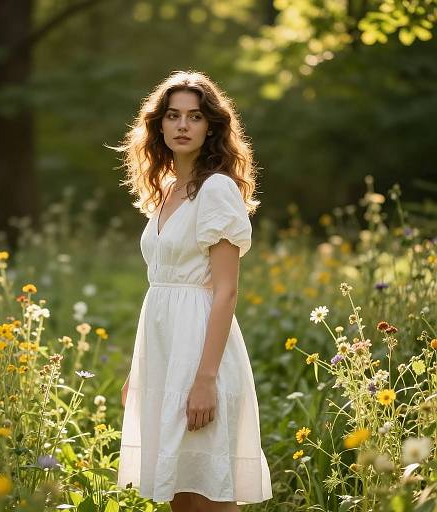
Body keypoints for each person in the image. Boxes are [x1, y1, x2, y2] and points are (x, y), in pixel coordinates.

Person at [112, 70, 272, 511]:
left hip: (203, 354)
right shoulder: (165, 192)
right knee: (177, 493)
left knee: (210, 492)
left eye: (195, 116)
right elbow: (161, 290)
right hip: (164, 353)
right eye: (173, 115)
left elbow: (225, 292)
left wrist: (204, 381)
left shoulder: (217, 190)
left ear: (211, 126)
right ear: (158, 125)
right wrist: (138, 371)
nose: (183, 125)